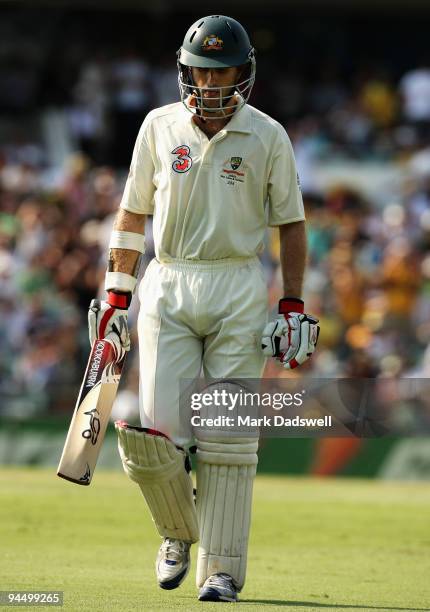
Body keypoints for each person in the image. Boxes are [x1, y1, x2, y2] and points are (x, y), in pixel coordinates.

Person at [87, 14, 319, 603]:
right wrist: (117, 295)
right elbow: (133, 213)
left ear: (244, 73)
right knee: (155, 437)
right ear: (184, 70)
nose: (211, 83)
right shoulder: (158, 126)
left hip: (238, 286)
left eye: (224, 72)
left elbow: (291, 225)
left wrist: (292, 303)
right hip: (168, 283)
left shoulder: (267, 135)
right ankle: (176, 533)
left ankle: (221, 571)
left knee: (227, 438)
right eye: (201, 71)